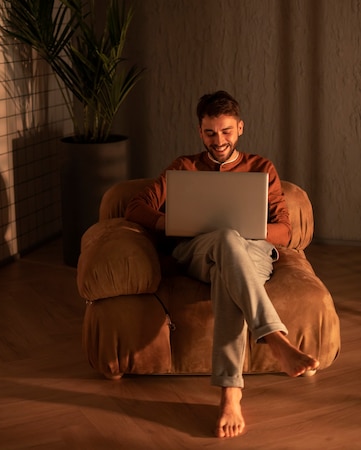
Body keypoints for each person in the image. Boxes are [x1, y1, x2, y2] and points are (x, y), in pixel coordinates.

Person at [125, 90, 319, 439]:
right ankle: (273, 336)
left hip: (252, 254)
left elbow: (286, 230)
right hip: (197, 252)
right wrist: (175, 224)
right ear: (200, 132)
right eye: (211, 133)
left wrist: (248, 228)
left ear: (240, 128)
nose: (219, 140)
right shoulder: (183, 168)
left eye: (227, 131)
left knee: (231, 248)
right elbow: (136, 207)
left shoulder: (262, 168)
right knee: (226, 238)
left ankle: (231, 393)